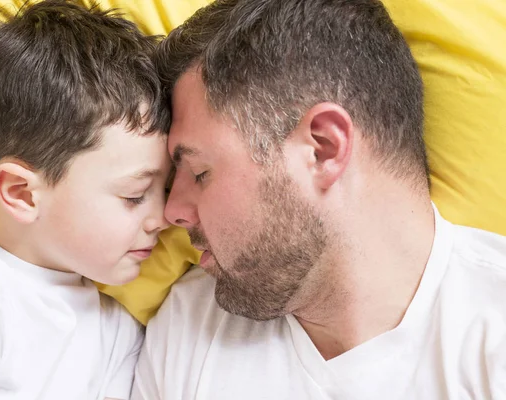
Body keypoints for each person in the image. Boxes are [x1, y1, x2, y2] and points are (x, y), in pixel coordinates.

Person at [132, 0, 506, 398]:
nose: (172, 212)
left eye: (200, 173)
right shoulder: (188, 329)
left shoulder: (491, 331)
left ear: (323, 148)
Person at [0, 1, 170, 399]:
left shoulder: (120, 333)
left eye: (164, 191)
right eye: (135, 196)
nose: (163, 218)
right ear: (21, 192)